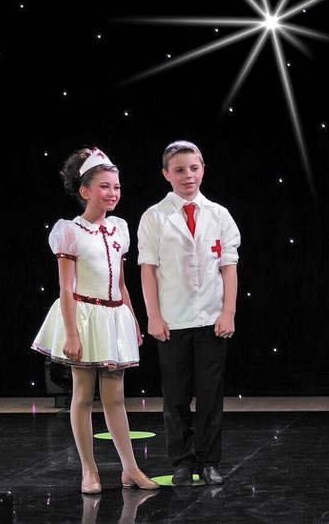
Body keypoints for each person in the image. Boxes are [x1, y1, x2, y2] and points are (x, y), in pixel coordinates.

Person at [32, 147, 159, 494]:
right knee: (83, 394)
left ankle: (130, 468)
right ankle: (89, 470)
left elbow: (120, 282)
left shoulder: (119, 228)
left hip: (113, 315)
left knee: (116, 397)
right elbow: (66, 286)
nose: (112, 193)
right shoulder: (69, 232)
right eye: (104, 186)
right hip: (84, 315)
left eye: (116, 187)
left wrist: (132, 318)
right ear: (85, 191)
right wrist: (71, 333)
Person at [137, 140, 241, 487]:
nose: (188, 175)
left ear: (203, 169)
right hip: (173, 320)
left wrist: (228, 312)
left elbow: (229, 266)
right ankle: (181, 461)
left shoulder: (219, 214)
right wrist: (153, 315)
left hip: (211, 320)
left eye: (194, 168)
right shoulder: (155, 216)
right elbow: (148, 269)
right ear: (167, 174)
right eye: (179, 169)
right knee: (176, 396)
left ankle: (210, 460)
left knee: (211, 395)